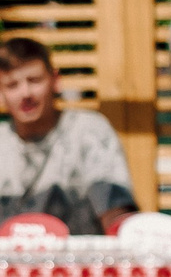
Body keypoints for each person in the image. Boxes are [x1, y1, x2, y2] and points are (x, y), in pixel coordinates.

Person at [0, 38, 135, 236]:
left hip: (82, 264)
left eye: (34, 81)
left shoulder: (89, 131)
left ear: (55, 80)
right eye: (12, 85)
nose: (25, 93)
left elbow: (115, 213)